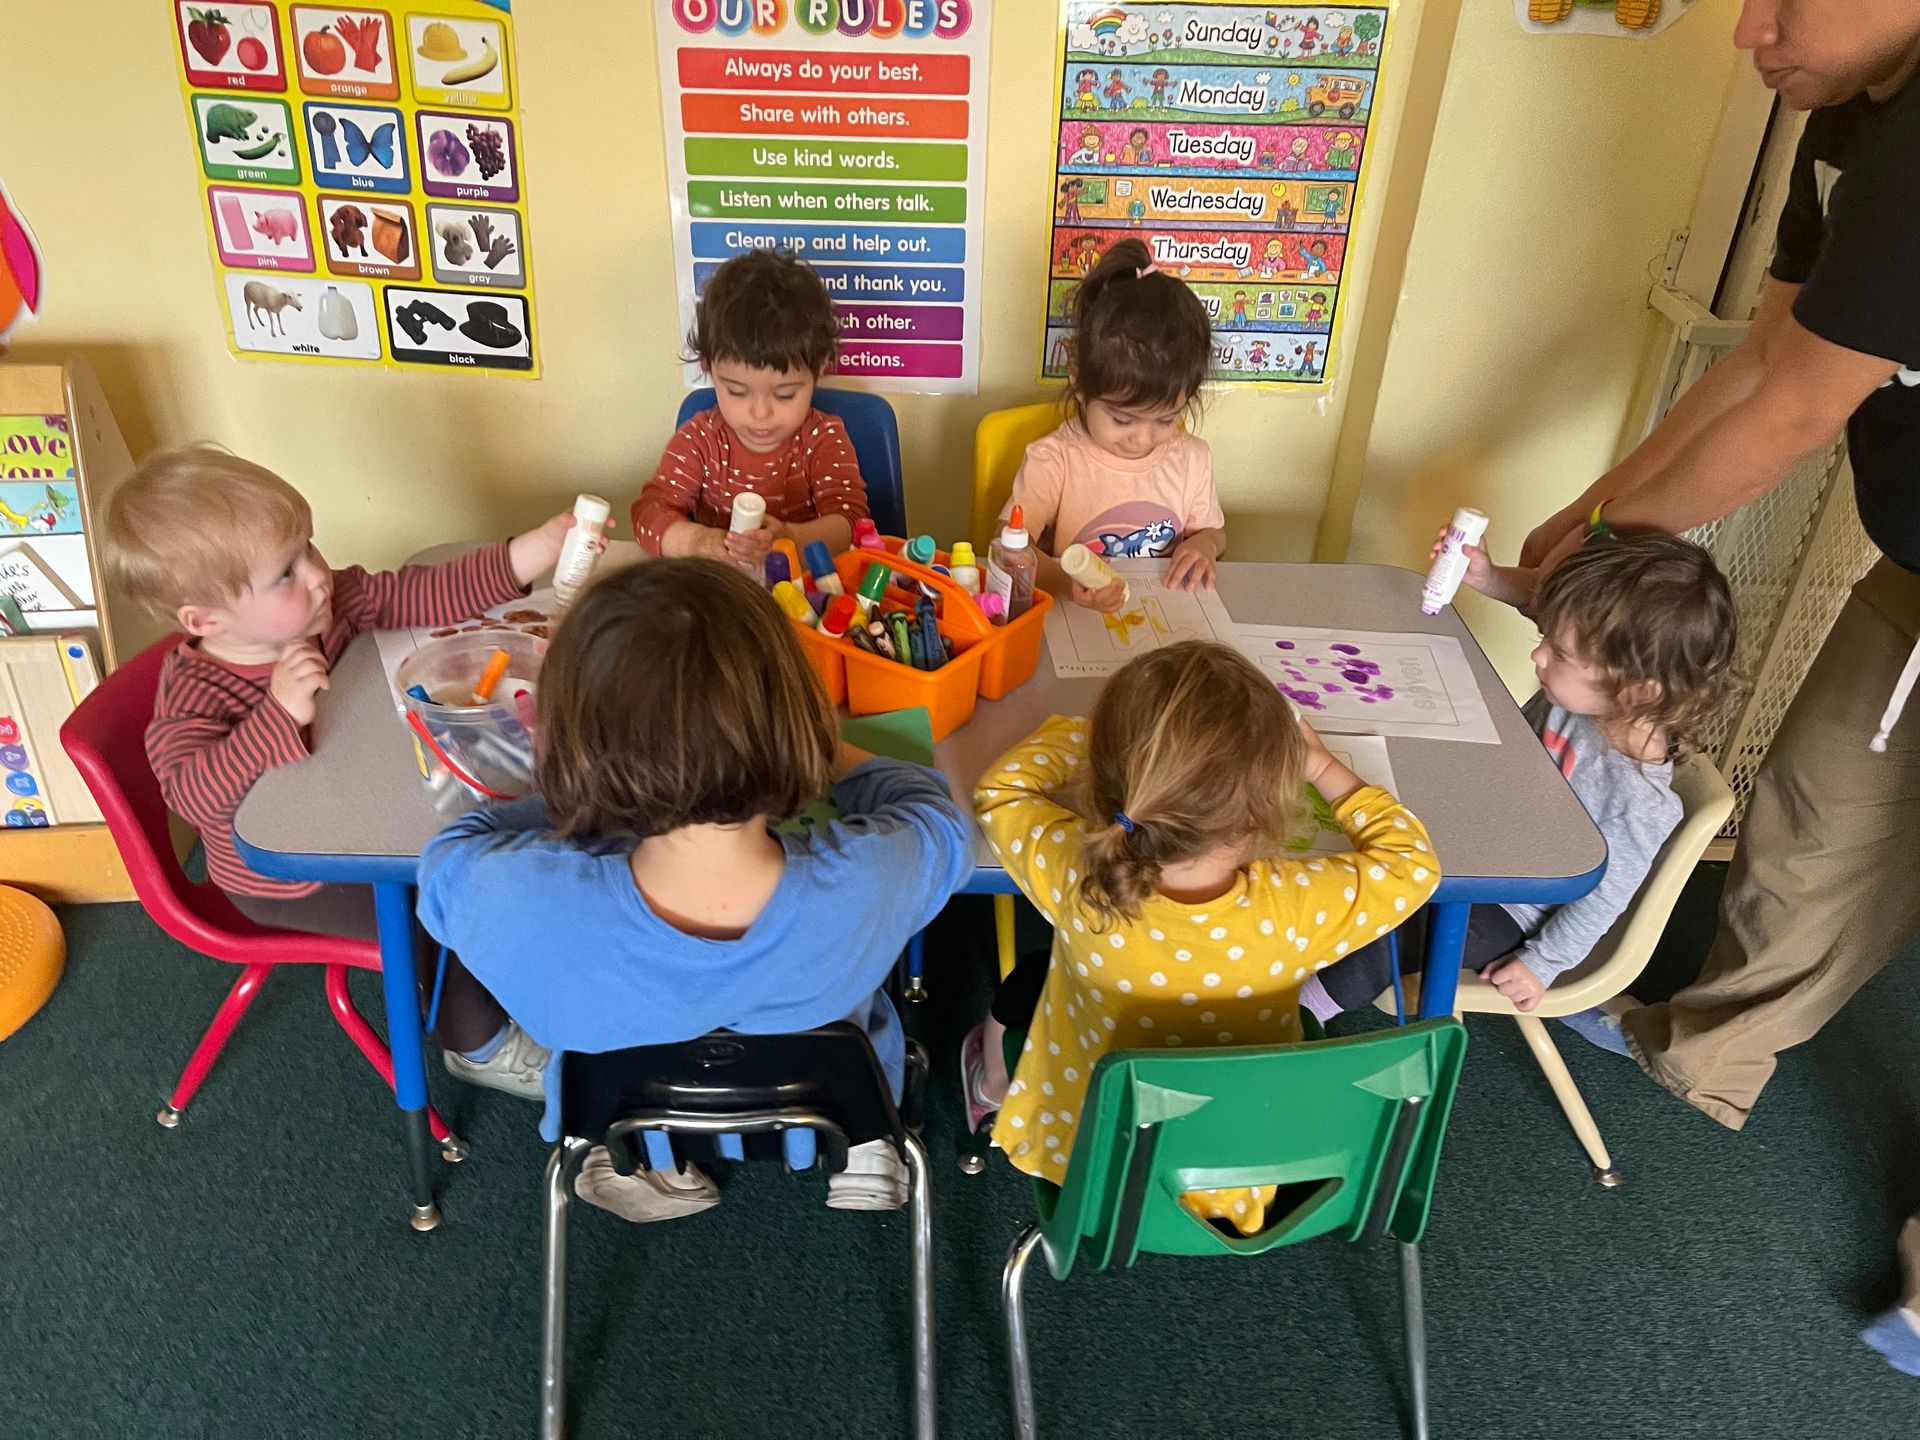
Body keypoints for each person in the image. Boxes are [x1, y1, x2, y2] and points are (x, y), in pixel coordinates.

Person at [1509, 0, 1920, 1375]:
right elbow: (1762, 362)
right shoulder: (1846, 116)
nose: (1749, 28)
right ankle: (1707, 1049)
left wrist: (1600, 557)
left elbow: (1801, 417)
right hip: (1911, 554)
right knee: (1818, 806)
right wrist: (1588, 519)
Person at [416, 560, 974, 1222]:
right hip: (828, 1101)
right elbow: (934, 814)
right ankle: (869, 1142)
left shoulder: (520, 897)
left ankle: (647, 1160)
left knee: (617, 1030)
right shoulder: (870, 876)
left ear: (576, 749)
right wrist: (827, 753)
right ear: (794, 724)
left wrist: (570, 792)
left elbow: (450, 852)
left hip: (625, 1105)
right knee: (850, 1009)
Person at [102, 445, 588, 1098]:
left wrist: (534, 549)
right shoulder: (198, 692)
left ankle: (522, 974)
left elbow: (418, 592)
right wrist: (275, 714)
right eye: (285, 573)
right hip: (287, 879)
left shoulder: (330, 610)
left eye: (310, 546)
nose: (318, 573)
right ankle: (476, 1044)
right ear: (206, 620)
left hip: (358, 806)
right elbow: (194, 793)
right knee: (442, 902)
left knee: (481, 851)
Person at [959, 641, 1440, 1233]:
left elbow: (1001, 791)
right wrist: (1322, 766)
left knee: (1029, 979)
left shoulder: (1079, 876)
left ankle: (988, 1086)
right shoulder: (1295, 905)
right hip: (1252, 1165)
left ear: (1114, 791)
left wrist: (1098, 739)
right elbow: (1413, 864)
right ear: (1266, 809)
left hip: (1096, 1159)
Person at [1303, 531, 1738, 1024]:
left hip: (1510, 910)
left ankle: (1303, 1014)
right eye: (1544, 639)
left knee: (1389, 934)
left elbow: (1601, 901)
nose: (1538, 657)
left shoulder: (1640, 802)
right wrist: (1486, 577)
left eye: (1561, 654)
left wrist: (1542, 963)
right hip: (1478, 845)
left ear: (1637, 691)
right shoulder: (1580, 704)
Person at [1001, 237, 1226, 609]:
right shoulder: (1055, 459)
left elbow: (1212, 531)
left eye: (1166, 418)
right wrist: (1066, 581)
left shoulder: (1192, 459)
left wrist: (1205, 545)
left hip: (1163, 614)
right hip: (1077, 620)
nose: (1142, 438)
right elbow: (1011, 545)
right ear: (1078, 377)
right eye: (1123, 419)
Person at [632, 250, 868, 565]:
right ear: (708, 368)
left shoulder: (822, 439)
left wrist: (791, 539)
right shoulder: (700, 441)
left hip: (807, 599)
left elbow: (850, 522)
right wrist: (702, 541)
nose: (760, 414)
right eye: (736, 391)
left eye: (784, 395)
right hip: (722, 594)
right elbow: (648, 515)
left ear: (820, 369)